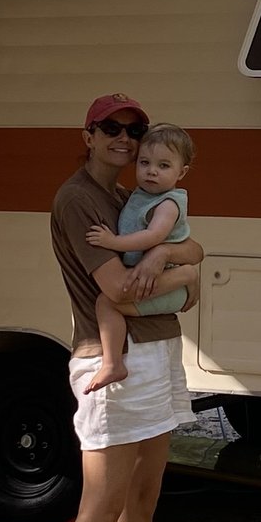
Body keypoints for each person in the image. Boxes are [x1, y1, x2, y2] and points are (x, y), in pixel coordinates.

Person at [48, 94, 203, 522]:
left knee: (143, 497)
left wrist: (175, 261)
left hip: (158, 355)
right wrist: (184, 276)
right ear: (86, 134)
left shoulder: (133, 194)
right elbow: (120, 291)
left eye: (133, 130)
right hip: (114, 363)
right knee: (99, 510)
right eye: (109, 129)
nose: (123, 139)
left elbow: (194, 252)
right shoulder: (79, 199)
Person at [81, 123, 197, 392]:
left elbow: (153, 237)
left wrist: (113, 242)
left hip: (165, 283)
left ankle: (112, 364)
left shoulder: (168, 203)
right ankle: (113, 362)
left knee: (106, 303)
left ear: (182, 172)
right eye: (145, 163)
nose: (151, 171)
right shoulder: (139, 196)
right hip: (159, 278)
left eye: (164, 166)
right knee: (108, 302)